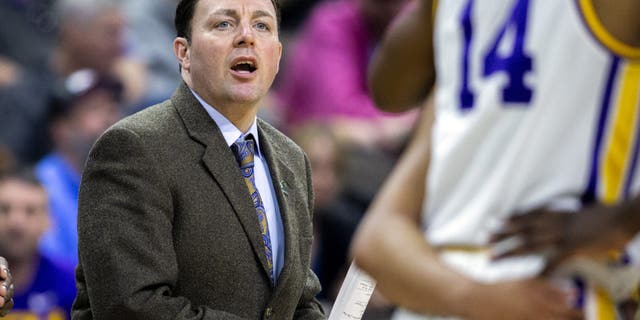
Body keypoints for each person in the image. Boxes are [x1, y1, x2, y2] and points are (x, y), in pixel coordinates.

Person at [351, 0, 640, 319]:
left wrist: (622, 219)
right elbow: (387, 91)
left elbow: (388, 90)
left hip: (549, 289)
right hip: (449, 290)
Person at [72, 0, 325, 319]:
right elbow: (131, 306)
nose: (247, 36)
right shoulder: (133, 147)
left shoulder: (292, 159)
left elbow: (297, 300)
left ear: (277, 53)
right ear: (183, 53)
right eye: (224, 24)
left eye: (262, 25)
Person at [36, 69, 124, 268]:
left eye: (111, 107)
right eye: (94, 109)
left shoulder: (129, 177)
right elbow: (50, 266)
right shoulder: (41, 186)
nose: (109, 118)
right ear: (61, 130)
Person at [0, 167, 75, 319]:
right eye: (5, 209)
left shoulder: (71, 284)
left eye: (30, 211)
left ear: (49, 221)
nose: (16, 222)